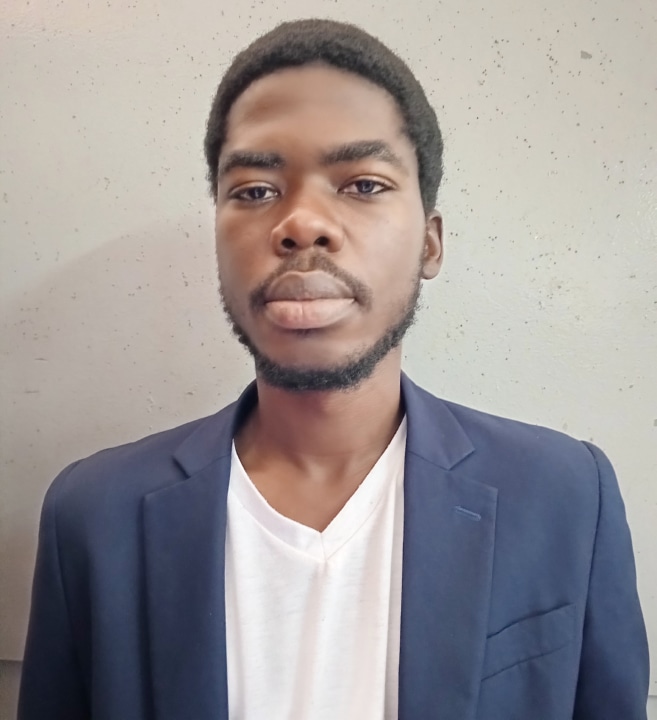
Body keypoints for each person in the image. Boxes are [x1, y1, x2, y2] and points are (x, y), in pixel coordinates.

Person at [18, 18, 649, 720]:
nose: (302, 223)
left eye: (363, 184)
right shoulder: (93, 517)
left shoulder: (565, 498)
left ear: (430, 244)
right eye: (255, 190)